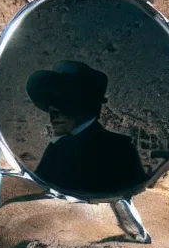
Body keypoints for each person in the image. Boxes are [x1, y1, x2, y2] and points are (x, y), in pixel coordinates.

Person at [26, 60, 147, 194]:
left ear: (83, 106)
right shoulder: (57, 148)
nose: (53, 113)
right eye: (52, 104)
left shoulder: (119, 147)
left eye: (64, 103)